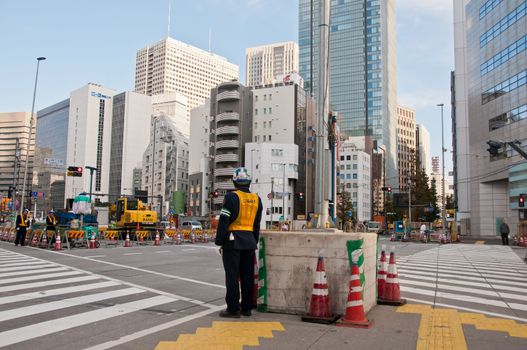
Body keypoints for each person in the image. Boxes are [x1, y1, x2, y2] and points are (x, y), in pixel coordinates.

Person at [215, 167, 263, 318]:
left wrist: (219, 241)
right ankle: (246, 308)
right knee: (247, 276)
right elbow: (257, 224)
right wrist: (253, 240)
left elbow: (224, 220)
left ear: (234, 181)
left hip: (232, 241)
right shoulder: (257, 199)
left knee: (232, 276)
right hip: (249, 242)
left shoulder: (231, 197)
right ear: (249, 181)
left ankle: (233, 308)